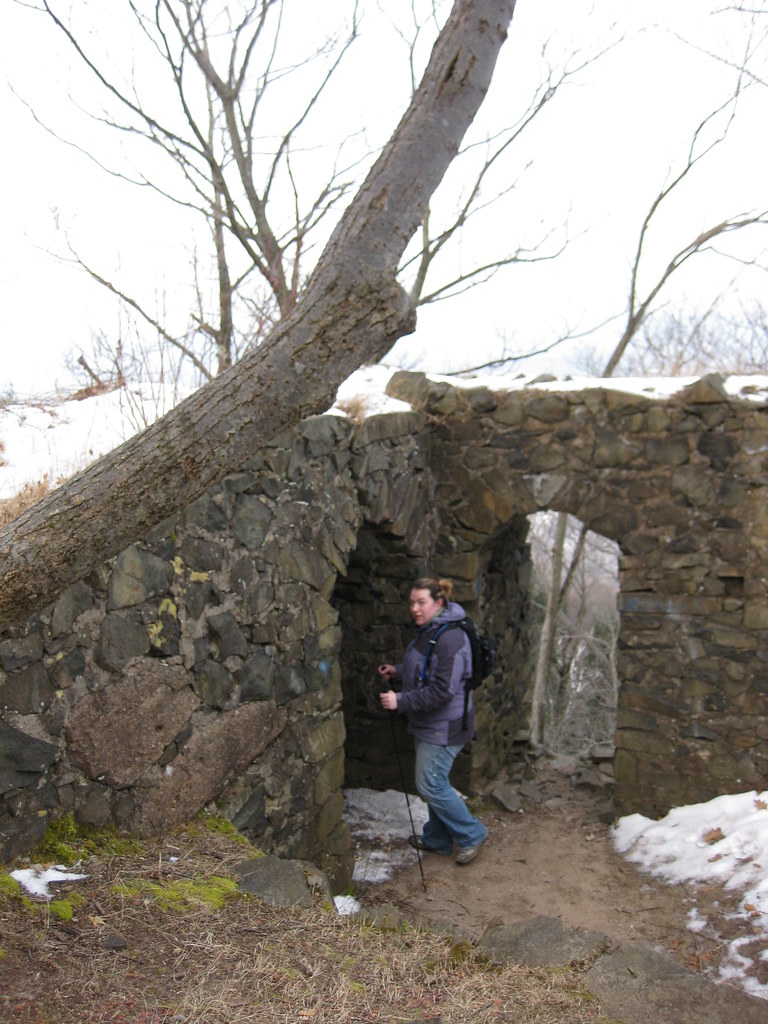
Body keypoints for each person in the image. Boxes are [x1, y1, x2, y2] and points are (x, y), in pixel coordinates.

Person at [378, 576, 488, 865]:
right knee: (434, 779)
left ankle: (472, 833)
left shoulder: (450, 638)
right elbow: (424, 669)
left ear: (438, 603)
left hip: (446, 726)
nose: (415, 608)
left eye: (421, 602)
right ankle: (438, 840)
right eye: (412, 602)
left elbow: (442, 691)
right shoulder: (430, 630)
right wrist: (398, 672)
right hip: (429, 723)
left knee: (430, 784)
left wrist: (400, 700)